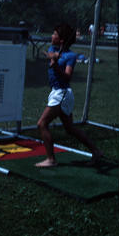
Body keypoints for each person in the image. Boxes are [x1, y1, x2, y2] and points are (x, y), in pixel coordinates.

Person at [35, 24, 103, 168]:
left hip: (62, 93)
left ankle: (51, 160)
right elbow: (50, 53)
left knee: (42, 124)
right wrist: (54, 57)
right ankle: (96, 151)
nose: (52, 36)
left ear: (61, 40)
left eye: (54, 34)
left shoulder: (71, 56)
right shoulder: (52, 49)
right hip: (57, 92)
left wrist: (56, 65)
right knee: (70, 128)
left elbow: (67, 77)